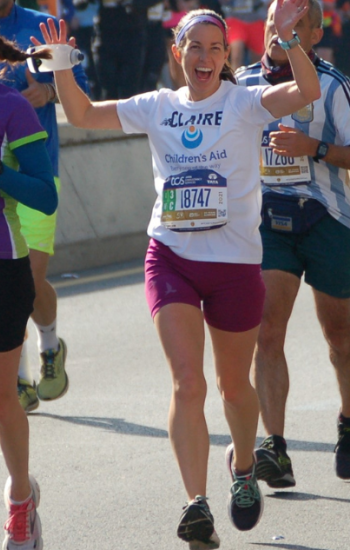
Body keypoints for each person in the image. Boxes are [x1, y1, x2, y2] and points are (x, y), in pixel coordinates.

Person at [41, 3, 320, 544]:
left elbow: (305, 91)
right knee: (187, 383)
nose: (207, 57)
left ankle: (242, 467)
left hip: (236, 265)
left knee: (233, 386)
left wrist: (288, 40)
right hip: (170, 257)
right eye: (197, 46)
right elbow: (81, 114)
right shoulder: (157, 107)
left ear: (227, 57)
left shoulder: (243, 102)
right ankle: (196, 504)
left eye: (217, 48)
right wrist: (60, 67)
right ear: (178, 53)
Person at [236, 0, 350, 491]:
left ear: (314, 32)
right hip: (270, 223)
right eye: (276, 20)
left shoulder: (337, 86)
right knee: (267, 331)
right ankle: (274, 445)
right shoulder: (241, 84)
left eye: (295, 22)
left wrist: (314, 148)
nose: (282, 29)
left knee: (338, 334)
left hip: (329, 220)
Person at [0, 0, 87, 412]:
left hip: (36, 170)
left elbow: (82, 89)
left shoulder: (41, 27)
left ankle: (49, 345)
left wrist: (49, 90)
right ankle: (17, 380)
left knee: (28, 279)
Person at [0, 36, 58, 550]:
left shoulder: (12, 108)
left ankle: (20, 500)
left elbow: (45, 192)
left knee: (0, 397)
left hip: (2, 266)